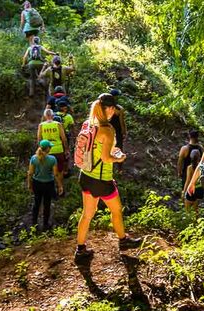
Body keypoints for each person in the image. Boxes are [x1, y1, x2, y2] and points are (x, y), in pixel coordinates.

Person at [75, 93, 141, 261]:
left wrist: (113, 151)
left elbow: (98, 150)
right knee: (116, 210)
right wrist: (119, 158)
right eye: (114, 109)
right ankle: (123, 240)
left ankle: (80, 250)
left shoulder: (89, 124)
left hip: (85, 176)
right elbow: (106, 158)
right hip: (102, 180)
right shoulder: (107, 129)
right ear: (110, 109)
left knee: (87, 214)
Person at [27, 140, 64, 231]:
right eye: (50, 147)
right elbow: (55, 174)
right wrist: (60, 186)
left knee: (36, 203)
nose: (50, 148)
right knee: (47, 204)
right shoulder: (52, 159)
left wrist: (29, 184)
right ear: (47, 148)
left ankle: (34, 224)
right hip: (48, 184)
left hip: (37, 183)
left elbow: (30, 173)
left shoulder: (34, 158)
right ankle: (45, 224)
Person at [38, 108, 69, 178]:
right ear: (52, 115)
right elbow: (64, 139)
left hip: (46, 150)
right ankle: (60, 187)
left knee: (48, 171)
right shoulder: (58, 124)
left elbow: (39, 139)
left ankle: (51, 186)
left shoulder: (41, 125)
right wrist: (66, 149)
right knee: (60, 170)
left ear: (45, 116)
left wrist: (40, 150)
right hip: (58, 150)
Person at [108, 88, 127, 172]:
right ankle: (120, 169)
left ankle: (109, 167)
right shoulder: (119, 109)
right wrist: (124, 132)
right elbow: (122, 122)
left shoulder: (105, 108)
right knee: (119, 149)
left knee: (107, 148)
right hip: (117, 132)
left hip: (108, 131)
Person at [182, 148, 204, 214]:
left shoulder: (190, 168)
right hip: (200, 189)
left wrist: (184, 192)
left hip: (191, 189)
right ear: (200, 157)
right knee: (196, 210)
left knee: (187, 210)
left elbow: (188, 180)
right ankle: (196, 223)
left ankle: (188, 223)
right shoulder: (202, 167)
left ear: (190, 157)